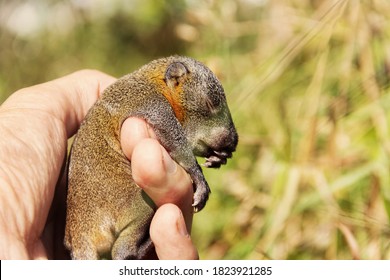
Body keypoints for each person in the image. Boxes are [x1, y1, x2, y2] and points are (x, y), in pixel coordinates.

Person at [0, 69, 198, 260]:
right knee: (153, 202)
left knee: (157, 204)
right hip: (85, 234)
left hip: (71, 242)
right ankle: (126, 248)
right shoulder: (142, 91)